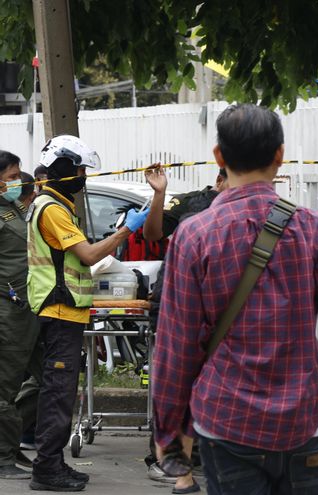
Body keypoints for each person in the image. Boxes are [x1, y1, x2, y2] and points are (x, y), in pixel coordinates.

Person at [152, 104, 318, 495]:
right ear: (280, 155)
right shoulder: (312, 226)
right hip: (303, 419)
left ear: (219, 157)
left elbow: (176, 345)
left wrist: (170, 432)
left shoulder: (194, 234)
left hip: (226, 419)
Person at [26, 135, 149, 491]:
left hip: (66, 311)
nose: (82, 175)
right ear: (62, 168)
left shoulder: (57, 205)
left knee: (61, 394)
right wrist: (127, 230)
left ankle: (53, 464)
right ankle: (46, 470)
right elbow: (90, 256)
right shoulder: (51, 208)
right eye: (79, 168)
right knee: (57, 395)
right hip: (60, 311)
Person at [139, 166, 228, 493]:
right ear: (219, 180)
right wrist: (159, 194)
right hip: (178, 303)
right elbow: (151, 235)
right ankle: (166, 460)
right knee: (177, 381)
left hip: (224, 311)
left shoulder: (256, 211)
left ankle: (204, 457)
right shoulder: (192, 204)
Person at [0, 152, 42, 480]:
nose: (18, 180)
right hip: (8, 311)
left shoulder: (13, 207)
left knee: (49, 378)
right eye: (12, 176)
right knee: (5, 385)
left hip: (31, 308)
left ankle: (13, 444)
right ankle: (2, 457)